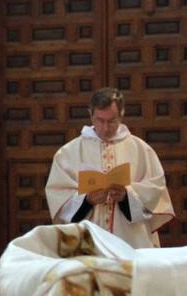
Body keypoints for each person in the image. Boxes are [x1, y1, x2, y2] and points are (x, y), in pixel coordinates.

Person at [44, 87, 174, 248]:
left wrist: (126, 196)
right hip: (88, 241)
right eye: (100, 120)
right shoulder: (68, 153)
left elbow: (155, 192)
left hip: (130, 240)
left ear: (122, 115)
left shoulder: (141, 150)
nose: (105, 127)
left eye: (111, 121)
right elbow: (58, 198)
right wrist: (87, 200)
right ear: (91, 115)